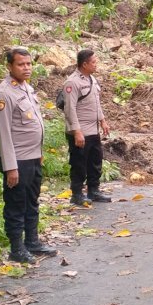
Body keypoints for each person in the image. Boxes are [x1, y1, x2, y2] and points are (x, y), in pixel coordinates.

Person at [0, 47, 56, 263]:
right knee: (16, 205)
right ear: (9, 66)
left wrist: (39, 153)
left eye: (29, 63)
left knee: (32, 201)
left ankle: (32, 241)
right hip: (17, 160)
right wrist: (10, 167)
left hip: (32, 157)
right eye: (21, 64)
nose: (26, 68)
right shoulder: (4, 94)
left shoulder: (26, 88)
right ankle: (16, 248)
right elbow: (4, 133)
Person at [62, 49, 111, 206]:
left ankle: (93, 190)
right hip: (80, 131)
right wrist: (77, 132)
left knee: (95, 161)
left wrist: (102, 120)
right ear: (84, 64)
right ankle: (76, 194)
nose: (96, 65)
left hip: (93, 130)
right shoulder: (72, 82)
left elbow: (95, 102)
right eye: (94, 62)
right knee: (79, 163)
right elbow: (70, 109)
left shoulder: (92, 79)